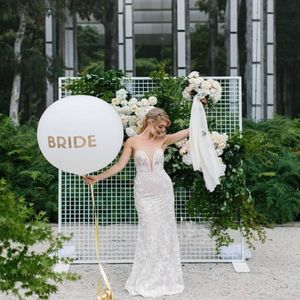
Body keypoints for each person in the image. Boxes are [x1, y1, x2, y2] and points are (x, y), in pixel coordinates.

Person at [83, 107, 189, 298]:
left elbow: (188, 131)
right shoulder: (132, 141)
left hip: (163, 191)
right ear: (150, 121)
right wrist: (97, 178)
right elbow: (119, 166)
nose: (163, 130)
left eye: (165, 127)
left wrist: (199, 105)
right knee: (149, 231)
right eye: (160, 126)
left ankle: (164, 277)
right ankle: (146, 277)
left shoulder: (163, 140)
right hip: (144, 193)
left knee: (165, 232)